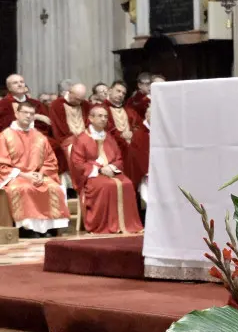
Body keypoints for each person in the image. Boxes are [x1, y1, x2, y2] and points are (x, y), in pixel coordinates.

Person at [70, 105, 143, 235]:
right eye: (100, 116)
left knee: (127, 184)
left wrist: (111, 167)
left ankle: (127, 225)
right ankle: (103, 225)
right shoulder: (81, 138)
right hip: (92, 176)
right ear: (91, 118)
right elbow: (77, 163)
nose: (104, 119)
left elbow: (119, 158)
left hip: (111, 172)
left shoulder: (109, 137)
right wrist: (99, 169)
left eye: (105, 116)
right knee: (107, 186)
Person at [0, 101, 70, 237]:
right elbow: (2, 163)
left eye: (31, 114)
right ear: (17, 114)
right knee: (23, 189)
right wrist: (24, 175)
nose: (28, 116)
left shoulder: (39, 137)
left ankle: (48, 228)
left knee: (53, 187)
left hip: (38, 176)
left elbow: (50, 160)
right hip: (16, 176)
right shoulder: (5, 136)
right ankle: (27, 229)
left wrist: (42, 174)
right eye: (25, 113)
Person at [49, 83, 90, 172]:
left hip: (85, 136)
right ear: (70, 93)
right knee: (74, 150)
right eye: (77, 99)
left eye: (81, 100)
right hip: (67, 138)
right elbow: (60, 127)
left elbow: (89, 122)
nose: (79, 102)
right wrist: (78, 139)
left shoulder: (85, 104)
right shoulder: (57, 104)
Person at [128, 104, 151, 207]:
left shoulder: (161, 131)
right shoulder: (139, 133)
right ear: (147, 115)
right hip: (145, 173)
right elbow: (137, 157)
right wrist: (147, 171)